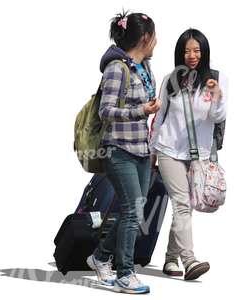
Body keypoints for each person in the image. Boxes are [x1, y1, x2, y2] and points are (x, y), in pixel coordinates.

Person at [86, 11, 161, 294]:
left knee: (135, 208)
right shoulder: (117, 68)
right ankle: (125, 274)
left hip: (141, 149)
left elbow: (145, 104)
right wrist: (141, 110)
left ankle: (101, 256)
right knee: (132, 210)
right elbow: (106, 111)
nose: (156, 41)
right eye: (154, 35)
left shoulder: (144, 68)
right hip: (118, 149)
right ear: (145, 37)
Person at [150, 28, 227, 281]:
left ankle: (171, 259)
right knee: (182, 204)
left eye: (196, 50)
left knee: (185, 208)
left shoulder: (215, 79)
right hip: (169, 149)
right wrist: (152, 152)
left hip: (199, 154)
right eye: (186, 50)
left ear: (203, 52)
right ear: (179, 53)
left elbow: (218, 117)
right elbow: (159, 118)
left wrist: (216, 97)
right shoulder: (170, 79)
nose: (192, 55)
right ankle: (189, 260)